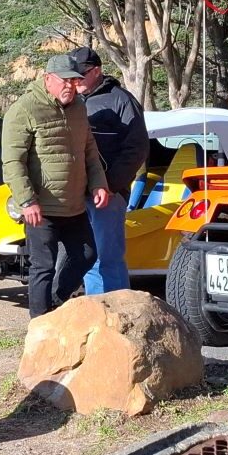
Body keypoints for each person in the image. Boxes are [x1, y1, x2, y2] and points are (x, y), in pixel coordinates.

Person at [2, 54, 109, 318]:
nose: (70, 86)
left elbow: (90, 151)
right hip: (42, 208)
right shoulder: (24, 109)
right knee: (43, 267)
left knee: (86, 254)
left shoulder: (79, 108)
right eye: (65, 81)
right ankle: (38, 325)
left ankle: (52, 305)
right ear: (48, 79)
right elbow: (12, 161)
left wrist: (99, 184)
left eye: (75, 81)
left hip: (74, 205)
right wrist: (27, 200)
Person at [70, 45, 149, 294]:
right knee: (85, 257)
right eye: (72, 75)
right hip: (75, 195)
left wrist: (111, 185)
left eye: (81, 74)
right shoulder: (69, 101)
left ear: (97, 71)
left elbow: (137, 148)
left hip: (107, 196)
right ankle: (95, 316)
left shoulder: (122, 100)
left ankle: (116, 316)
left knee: (107, 258)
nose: (76, 80)